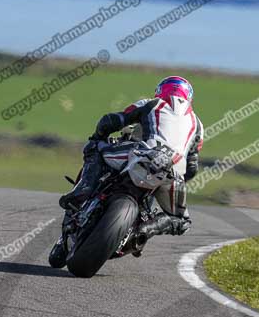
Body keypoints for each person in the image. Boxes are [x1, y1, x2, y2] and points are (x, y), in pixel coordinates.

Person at [50, 76, 203, 261]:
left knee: (96, 149)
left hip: (143, 153)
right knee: (181, 220)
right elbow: (192, 167)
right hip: (173, 172)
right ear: (189, 98)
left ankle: (83, 190)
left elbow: (112, 120)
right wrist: (176, 183)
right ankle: (146, 230)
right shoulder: (198, 126)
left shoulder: (151, 103)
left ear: (161, 91)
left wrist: (98, 136)